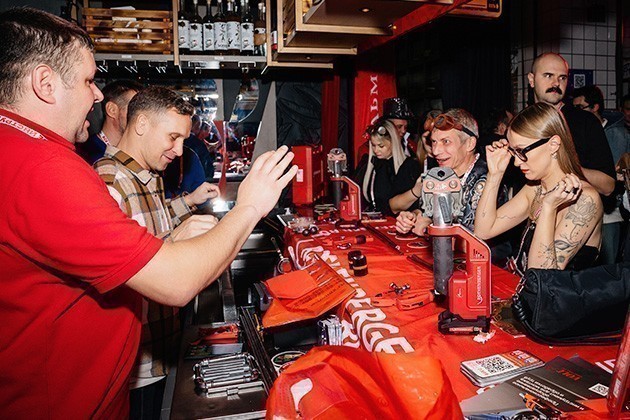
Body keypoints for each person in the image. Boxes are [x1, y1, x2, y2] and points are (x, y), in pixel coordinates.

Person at [0, 7, 297, 418]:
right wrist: (250, 205)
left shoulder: (18, 152)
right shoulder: (43, 168)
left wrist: (173, 235)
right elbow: (175, 283)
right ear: (45, 84)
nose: (98, 95)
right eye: (88, 80)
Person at [94, 86, 222, 419]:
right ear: (141, 125)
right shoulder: (110, 181)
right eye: (173, 137)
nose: (179, 151)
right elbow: (118, 270)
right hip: (137, 362)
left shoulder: (146, 175)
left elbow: (150, 223)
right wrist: (175, 239)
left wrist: (187, 204)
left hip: (159, 349)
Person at [474, 103, 603, 274]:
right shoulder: (535, 188)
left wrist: (548, 207)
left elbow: (542, 275)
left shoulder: (585, 198)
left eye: (522, 151)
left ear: (553, 144)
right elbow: (483, 231)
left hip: (554, 290)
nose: (516, 162)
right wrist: (495, 174)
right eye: (513, 152)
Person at [393, 109, 498, 233]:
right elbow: (426, 212)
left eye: (446, 142)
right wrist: (413, 217)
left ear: (470, 143)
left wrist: (429, 227)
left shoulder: (489, 178)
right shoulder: (439, 174)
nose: (435, 151)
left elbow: (476, 234)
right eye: (434, 142)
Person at [527, 52, 616, 196]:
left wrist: (566, 167)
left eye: (562, 78)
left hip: (576, 208)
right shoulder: (521, 123)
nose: (556, 83)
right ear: (532, 80)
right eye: (548, 76)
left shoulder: (585, 121)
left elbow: (608, 186)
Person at [572, 85, 630, 264]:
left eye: (580, 107)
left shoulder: (616, 134)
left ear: (595, 107)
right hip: (583, 209)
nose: (576, 113)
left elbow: (613, 174)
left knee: (607, 267)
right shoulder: (579, 132)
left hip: (609, 213)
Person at [353, 120, 420, 216]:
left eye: (381, 146)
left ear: (393, 143)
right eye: (373, 145)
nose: (376, 150)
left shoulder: (408, 166)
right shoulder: (368, 165)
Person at [76, 79, 144, 164]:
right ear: (112, 110)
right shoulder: (87, 155)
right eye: (134, 109)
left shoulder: (139, 153)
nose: (142, 118)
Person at [185, 114, 216, 181]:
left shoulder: (179, 141)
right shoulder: (198, 144)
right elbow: (207, 167)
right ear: (198, 127)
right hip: (196, 181)